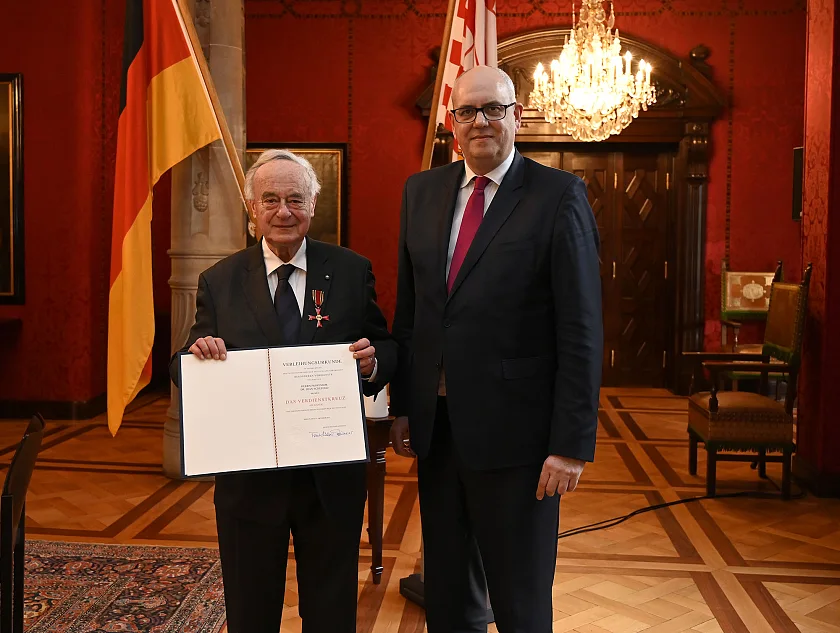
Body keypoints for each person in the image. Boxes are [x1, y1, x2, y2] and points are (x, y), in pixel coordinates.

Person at [389, 66, 603, 633]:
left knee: (520, 600)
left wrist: (570, 445)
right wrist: (405, 406)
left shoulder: (558, 195)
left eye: (493, 109)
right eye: (467, 111)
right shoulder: (421, 192)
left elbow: (581, 328)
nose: (479, 121)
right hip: (439, 433)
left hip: (521, 440)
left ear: (517, 116)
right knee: (448, 595)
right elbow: (412, 312)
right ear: (451, 122)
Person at [169, 149, 397, 633]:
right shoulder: (220, 280)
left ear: (313, 204)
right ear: (252, 207)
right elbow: (181, 365)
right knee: (250, 613)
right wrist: (197, 354)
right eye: (270, 199)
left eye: (295, 199)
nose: (283, 211)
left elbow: (387, 346)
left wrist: (373, 360)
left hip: (330, 479)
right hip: (250, 484)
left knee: (332, 613)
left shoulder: (351, 271)